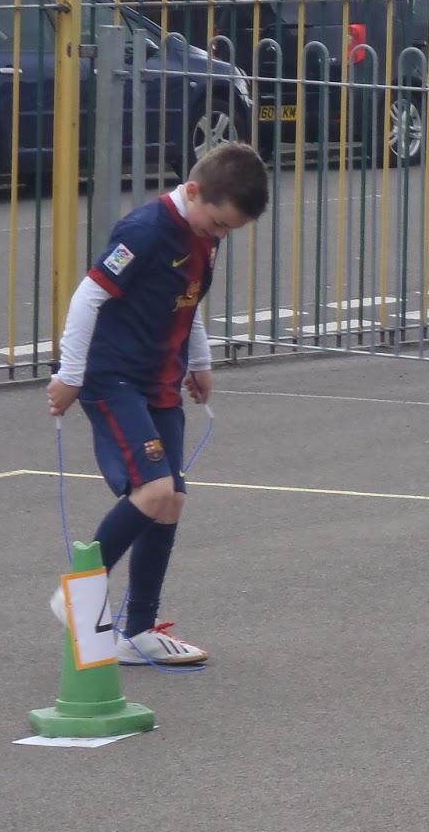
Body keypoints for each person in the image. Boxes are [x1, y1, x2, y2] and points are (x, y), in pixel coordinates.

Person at [46, 142, 270, 665]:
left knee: (171, 500)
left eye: (228, 232)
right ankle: (79, 597)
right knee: (154, 489)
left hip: (160, 381)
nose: (219, 236)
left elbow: (189, 300)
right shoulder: (144, 231)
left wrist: (200, 361)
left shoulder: (203, 235)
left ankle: (139, 631)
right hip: (113, 378)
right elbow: (88, 297)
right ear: (192, 192)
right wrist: (71, 375)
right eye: (217, 224)